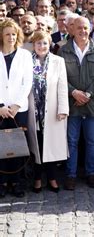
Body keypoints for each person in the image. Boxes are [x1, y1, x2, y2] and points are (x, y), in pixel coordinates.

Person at [57, 16, 94, 190]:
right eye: (79, 28)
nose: (83, 31)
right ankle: (71, 175)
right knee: (71, 141)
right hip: (72, 104)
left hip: (92, 103)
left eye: (86, 28)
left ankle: (91, 174)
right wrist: (74, 93)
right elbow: (60, 77)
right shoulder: (63, 51)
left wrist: (87, 94)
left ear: (90, 29)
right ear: (72, 29)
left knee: (92, 141)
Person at [26, 31, 68, 193]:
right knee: (36, 146)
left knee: (50, 146)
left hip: (51, 111)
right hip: (33, 111)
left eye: (44, 43)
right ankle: (37, 178)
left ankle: (52, 178)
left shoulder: (58, 61)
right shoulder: (27, 61)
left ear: (49, 44)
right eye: (38, 43)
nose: (41, 46)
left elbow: (63, 86)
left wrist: (63, 109)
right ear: (33, 45)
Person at [0, 19, 33, 198]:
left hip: (18, 109)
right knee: (1, 147)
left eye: (14, 34)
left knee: (17, 147)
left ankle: (17, 182)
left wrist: (16, 105)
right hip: (0, 110)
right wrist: (1, 107)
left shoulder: (25, 55)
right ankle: (2, 182)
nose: (11, 37)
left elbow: (27, 82)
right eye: (7, 34)